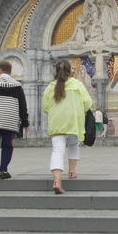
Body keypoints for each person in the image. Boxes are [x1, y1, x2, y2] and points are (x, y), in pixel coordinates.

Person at [43, 59, 92, 194]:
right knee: (73, 145)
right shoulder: (77, 84)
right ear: (70, 70)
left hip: (56, 122)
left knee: (57, 150)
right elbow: (87, 103)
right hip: (73, 121)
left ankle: (57, 181)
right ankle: (71, 172)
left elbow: (45, 107)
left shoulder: (50, 87)